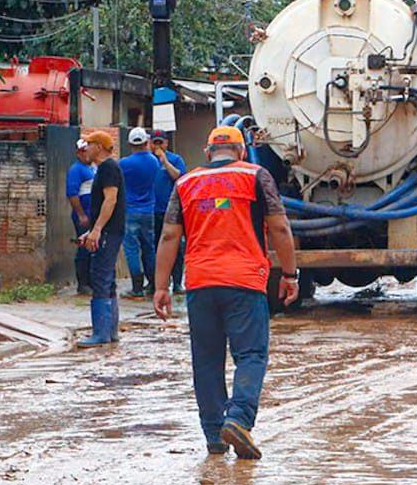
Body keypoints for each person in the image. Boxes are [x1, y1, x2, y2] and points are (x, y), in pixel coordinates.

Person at [152, 126, 299, 458]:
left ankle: (214, 434)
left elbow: (169, 236)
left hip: (200, 283)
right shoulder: (256, 176)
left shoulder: (185, 182)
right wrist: (290, 274)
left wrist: (161, 287)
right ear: (242, 151)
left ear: (207, 153)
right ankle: (239, 419)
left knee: (206, 359)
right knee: (251, 354)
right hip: (244, 281)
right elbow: (279, 226)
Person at [77, 130, 126, 348]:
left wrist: (97, 230)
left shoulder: (108, 168)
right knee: (107, 279)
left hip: (108, 232)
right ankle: (110, 331)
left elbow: (110, 200)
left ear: (98, 147)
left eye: (88, 144)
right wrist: (91, 231)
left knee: (100, 277)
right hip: (108, 230)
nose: (85, 149)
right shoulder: (105, 169)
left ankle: (101, 332)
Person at [119, 127, 163, 298]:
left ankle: (137, 287)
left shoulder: (124, 164)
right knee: (149, 248)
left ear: (130, 144)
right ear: (146, 142)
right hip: (148, 210)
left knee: (131, 249)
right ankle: (153, 284)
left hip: (130, 210)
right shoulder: (153, 161)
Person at [150, 130, 187, 294]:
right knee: (154, 248)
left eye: (161, 142)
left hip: (171, 211)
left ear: (166, 143)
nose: (158, 146)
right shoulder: (148, 160)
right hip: (152, 210)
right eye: (155, 142)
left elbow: (179, 177)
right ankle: (155, 283)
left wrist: (164, 161)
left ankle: (177, 282)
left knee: (176, 247)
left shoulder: (175, 159)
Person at [66, 138, 96, 295]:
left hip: (92, 214)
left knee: (92, 248)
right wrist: (81, 214)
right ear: (78, 153)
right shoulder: (76, 170)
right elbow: (72, 194)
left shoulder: (92, 168)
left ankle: (91, 281)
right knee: (84, 248)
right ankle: (83, 283)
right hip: (84, 215)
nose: (87, 154)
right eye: (84, 151)